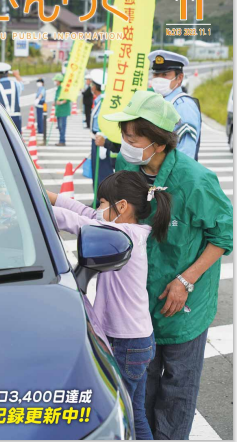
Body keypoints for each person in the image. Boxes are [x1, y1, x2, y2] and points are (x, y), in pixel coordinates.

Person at [103, 90, 233, 440]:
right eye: (124, 135)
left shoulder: (195, 180)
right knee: (141, 381)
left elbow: (224, 236)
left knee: (178, 385)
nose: (126, 143)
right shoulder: (127, 166)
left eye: (133, 137)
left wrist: (186, 280)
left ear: (158, 143)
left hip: (184, 302)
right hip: (139, 300)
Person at [46, 169, 173, 440]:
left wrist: (32, 207)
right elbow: (84, 212)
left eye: (102, 203)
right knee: (134, 411)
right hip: (137, 339)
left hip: (127, 343)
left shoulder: (123, 235)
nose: (98, 209)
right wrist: (50, 196)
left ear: (122, 207)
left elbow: (77, 222)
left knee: (119, 414)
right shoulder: (127, 227)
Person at [148, 50, 202, 161]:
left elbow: (186, 156)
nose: (159, 79)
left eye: (165, 74)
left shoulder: (184, 106)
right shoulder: (156, 101)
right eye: (156, 74)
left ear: (180, 78)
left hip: (173, 176)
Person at [90, 69, 114, 201]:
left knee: (103, 175)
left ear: (95, 87)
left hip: (102, 140)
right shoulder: (99, 100)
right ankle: (98, 200)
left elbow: (104, 122)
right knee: (96, 172)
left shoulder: (104, 101)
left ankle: (105, 202)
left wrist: (104, 144)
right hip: (96, 139)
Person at [0, 62, 24, 133]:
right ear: (8, 74)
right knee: (17, 141)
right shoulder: (16, 85)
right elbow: (22, 84)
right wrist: (17, 75)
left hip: (3, 118)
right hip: (16, 118)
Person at [53, 73, 71, 146]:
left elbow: (68, 99)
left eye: (56, 80)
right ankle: (61, 140)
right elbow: (56, 98)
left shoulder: (64, 88)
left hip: (63, 111)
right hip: (59, 111)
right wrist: (55, 102)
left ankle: (62, 141)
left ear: (59, 81)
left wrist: (60, 102)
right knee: (59, 126)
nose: (55, 82)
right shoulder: (58, 88)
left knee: (62, 126)